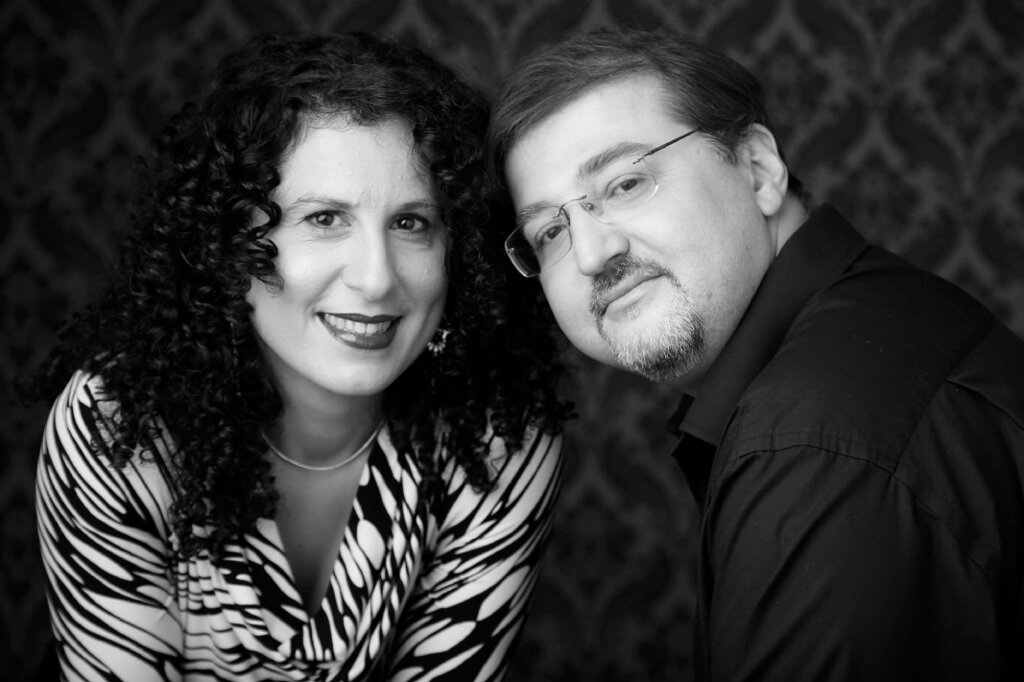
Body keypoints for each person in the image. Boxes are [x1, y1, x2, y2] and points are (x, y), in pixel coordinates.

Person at [25, 31, 569, 681]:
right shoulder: (118, 425)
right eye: (324, 219)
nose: (376, 278)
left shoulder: (500, 435)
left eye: (411, 223)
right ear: (230, 240)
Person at [488, 27, 1024, 681]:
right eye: (550, 231)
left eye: (625, 184)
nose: (592, 254)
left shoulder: (814, 445)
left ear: (758, 170)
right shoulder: (873, 327)